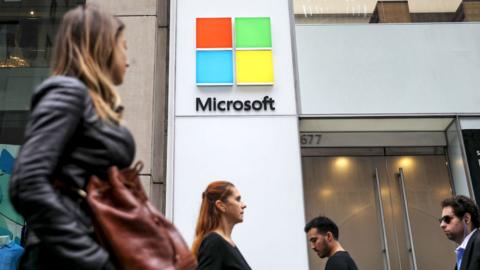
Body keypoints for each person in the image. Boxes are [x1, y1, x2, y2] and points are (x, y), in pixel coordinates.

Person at [9, 4, 133, 270]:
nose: (128, 58)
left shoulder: (90, 102)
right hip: (64, 260)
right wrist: (92, 256)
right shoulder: (67, 93)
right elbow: (27, 183)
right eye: (123, 46)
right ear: (102, 47)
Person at [191, 181, 251, 270]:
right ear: (221, 205)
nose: (244, 205)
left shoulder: (226, 243)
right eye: (237, 199)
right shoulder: (214, 242)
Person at [439, 195, 480, 270]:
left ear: (466, 219)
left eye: (447, 219)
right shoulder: (463, 253)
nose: (442, 225)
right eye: (441, 220)